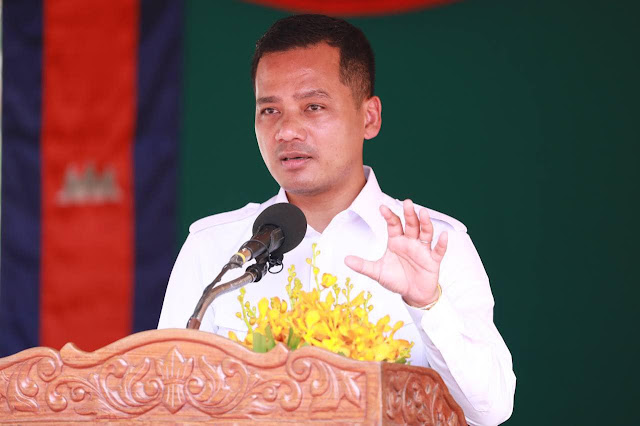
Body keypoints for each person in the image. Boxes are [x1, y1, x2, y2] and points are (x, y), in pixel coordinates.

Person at [159, 14, 515, 425]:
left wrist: (427, 304)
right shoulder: (216, 250)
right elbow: (167, 404)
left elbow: (489, 410)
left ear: (369, 117)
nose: (286, 131)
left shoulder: (432, 244)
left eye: (313, 107)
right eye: (269, 110)